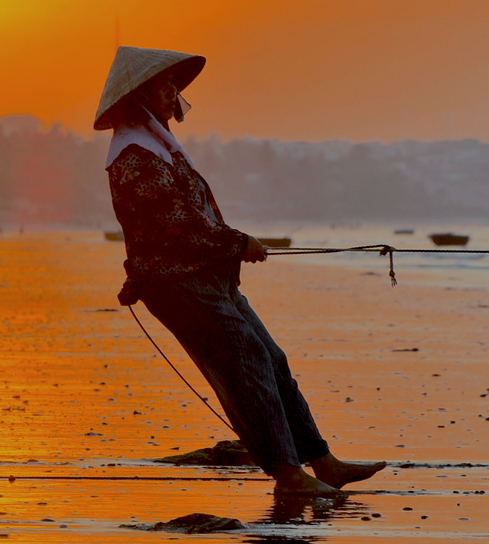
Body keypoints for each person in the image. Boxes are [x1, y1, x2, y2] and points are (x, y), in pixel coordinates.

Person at [96, 46, 386, 497]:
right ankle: (288, 475)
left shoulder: (158, 147)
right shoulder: (134, 156)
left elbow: (197, 217)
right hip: (178, 283)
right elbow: (175, 227)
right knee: (246, 365)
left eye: (174, 85)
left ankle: (322, 462)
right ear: (138, 97)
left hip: (207, 277)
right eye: (163, 86)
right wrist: (236, 243)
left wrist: (233, 242)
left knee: (271, 359)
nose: (173, 94)